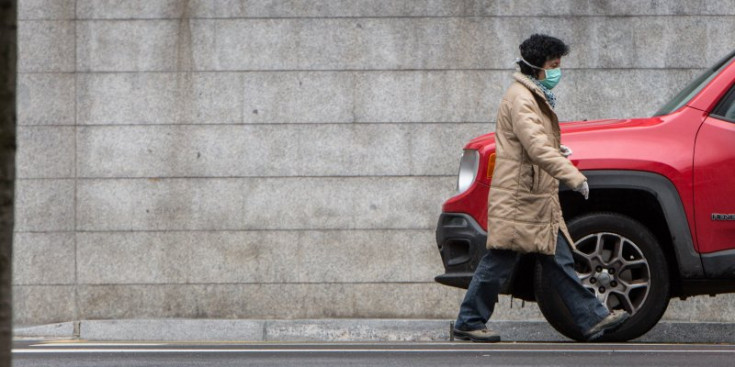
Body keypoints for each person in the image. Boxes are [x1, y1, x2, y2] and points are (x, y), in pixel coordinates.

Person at [452, 34, 629, 342]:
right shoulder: (521, 99)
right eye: (554, 65)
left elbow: (533, 144)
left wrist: (557, 152)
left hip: (533, 197)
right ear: (536, 67)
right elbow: (535, 147)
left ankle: (592, 319)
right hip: (522, 198)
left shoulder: (530, 96)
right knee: (501, 259)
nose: (558, 72)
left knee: (555, 259)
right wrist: (573, 176)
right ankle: (469, 321)